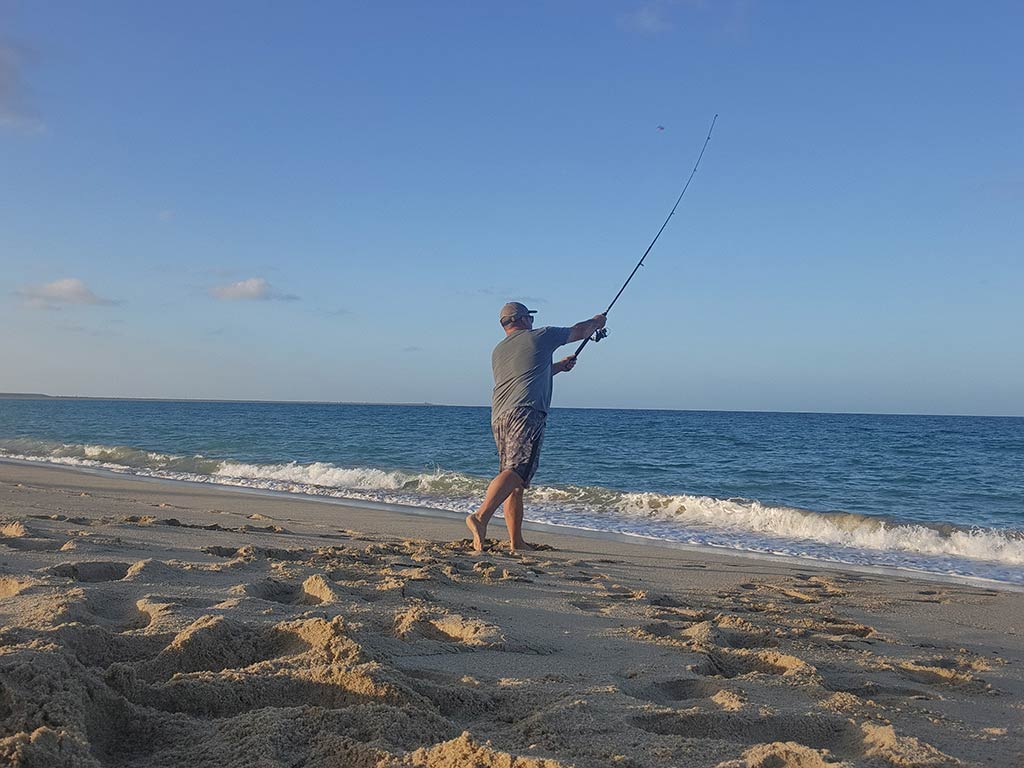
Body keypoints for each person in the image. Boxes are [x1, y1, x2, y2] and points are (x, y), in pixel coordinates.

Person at [466, 301, 607, 553]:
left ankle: (516, 542)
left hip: (499, 416)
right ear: (522, 319)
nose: (532, 321)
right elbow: (579, 331)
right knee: (517, 471)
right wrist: (597, 321)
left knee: (514, 482)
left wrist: (557, 368)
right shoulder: (541, 335)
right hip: (527, 411)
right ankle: (480, 516)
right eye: (529, 317)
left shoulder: (499, 351)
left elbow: (527, 374)